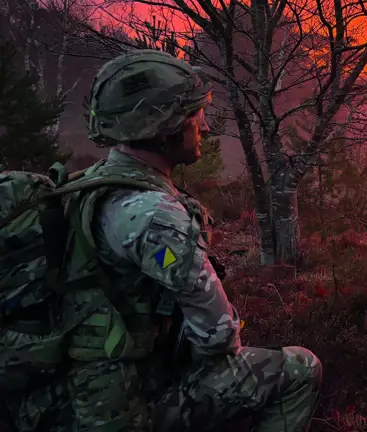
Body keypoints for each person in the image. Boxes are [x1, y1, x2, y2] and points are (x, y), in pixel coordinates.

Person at [4, 49, 322, 431]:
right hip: (115, 411)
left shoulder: (87, 185)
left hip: (52, 400)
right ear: (165, 126)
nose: (205, 127)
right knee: (300, 368)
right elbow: (219, 336)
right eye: (195, 115)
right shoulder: (153, 217)